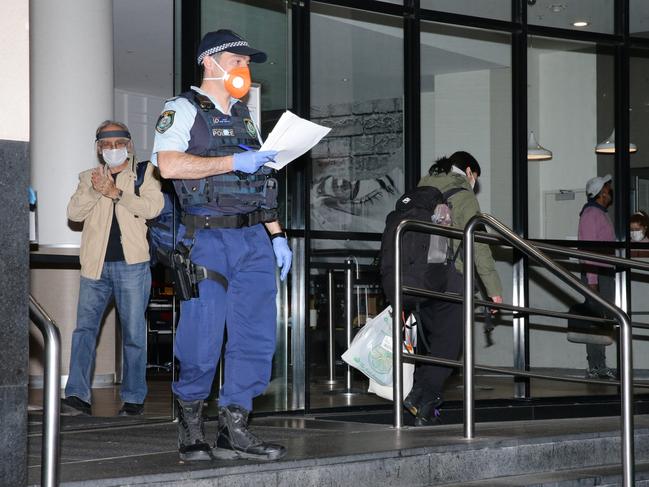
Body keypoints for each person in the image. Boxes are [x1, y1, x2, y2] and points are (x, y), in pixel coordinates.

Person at [151, 29, 292, 462]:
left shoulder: (246, 117)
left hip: (253, 238)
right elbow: (167, 164)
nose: (244, 70)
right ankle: (191, 425)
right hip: (207, 236)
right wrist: (234, 160)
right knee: (202, 335)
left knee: (255, 336)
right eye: (237, 61)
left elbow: (258, 185)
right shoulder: (182, 109)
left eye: (247, 63)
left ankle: (235, 427)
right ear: (209, 62)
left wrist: (278, 235)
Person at [62, 121, 164, 416]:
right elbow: (73, 214)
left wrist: (117, 193)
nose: (113, 149)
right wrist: (97, 190)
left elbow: (152, 208)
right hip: (95, 267)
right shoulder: (88, 178)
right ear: (98, 148)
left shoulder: (145, 174)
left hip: (133, 266)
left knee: (133, 333)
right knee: (84, 331)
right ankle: (77, 395)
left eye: (118, 143)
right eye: (106, 145)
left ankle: (133, 398)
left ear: (129, 145)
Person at [406, 151, 503, 425]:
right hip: (451, 278)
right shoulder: (462, 193)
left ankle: (424, 409)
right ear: (469, 172)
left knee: (430, 346)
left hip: (419, 279)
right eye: (476, 178)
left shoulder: (421, 188)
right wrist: (493, 288)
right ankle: (419, 395)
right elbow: (478, 244)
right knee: (449, 348)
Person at [577, 174, 616, 379]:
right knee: (596, 320)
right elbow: (589, 251)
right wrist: (592, 282)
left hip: (603, 274)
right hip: (597, 275)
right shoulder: (591, 214)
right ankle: (596, 366)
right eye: (608, 188)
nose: (610, 191)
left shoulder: (599, 213)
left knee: (602, 320)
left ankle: (599, 365)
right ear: (601, 192)